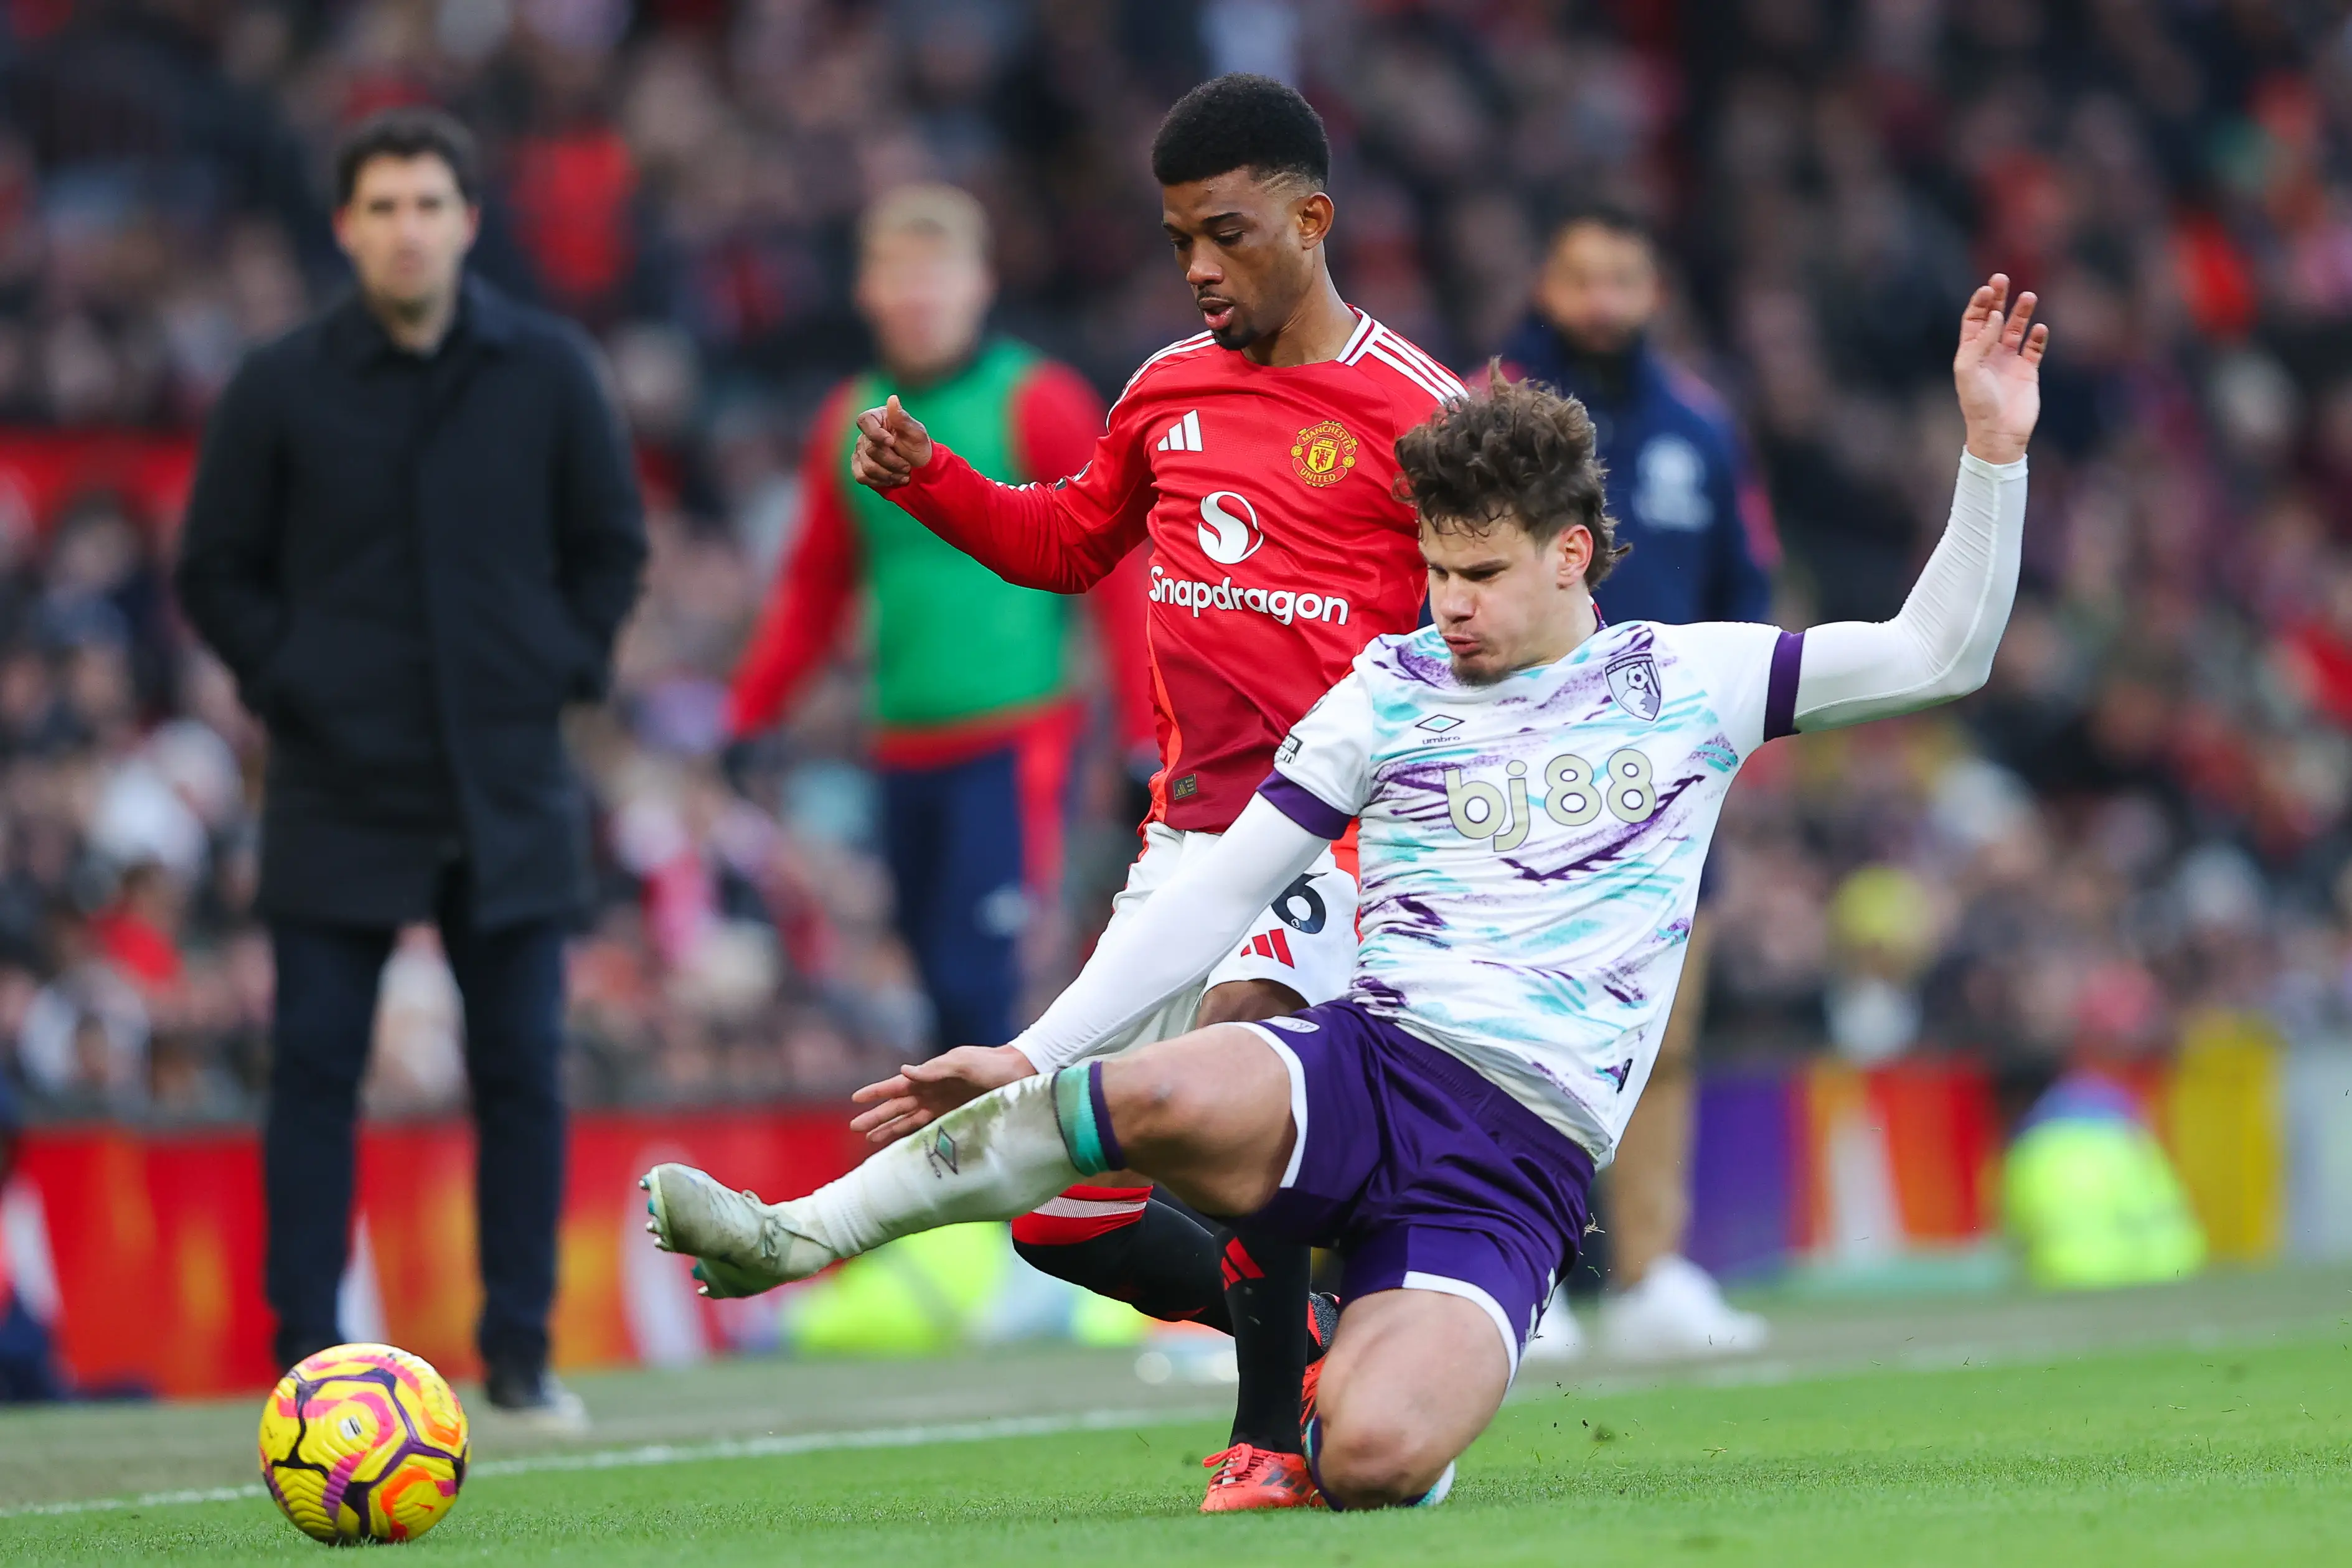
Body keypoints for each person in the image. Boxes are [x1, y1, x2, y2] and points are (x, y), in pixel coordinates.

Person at [640, 275, 2044, 1509]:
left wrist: (1990, 451)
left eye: (1480, 572)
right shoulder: (1389, 689)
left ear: (1571, 554)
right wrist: (1031, 1049)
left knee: (1368, 1462)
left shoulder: (1690, 682)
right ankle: (795, 1233)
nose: (1447, 603)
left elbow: (1939, 650)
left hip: (1516, 1156)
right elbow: (1217, 886)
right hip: (1368, 1061)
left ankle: (1339, 1387)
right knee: (1167, 1086)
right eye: (1432, 567)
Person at [845, 73, 1462, 1511]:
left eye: (1226, 233)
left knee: (1247, 1050)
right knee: (1060, 1213)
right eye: (1179, 235)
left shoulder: (1413, 413)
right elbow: (1068, 540)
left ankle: (1270, 1441)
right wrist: (931, 477)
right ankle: (1320, 1350)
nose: (1196, 266)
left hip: (1339, 836)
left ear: (1310, 222)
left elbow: (1511, 610)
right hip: (1184, 839)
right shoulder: (1164, 388)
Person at [174, 108, 646, 1427]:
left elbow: (610, 546)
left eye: (428, 203)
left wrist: (553, 667)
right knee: (315, 1070)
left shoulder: (547, 370)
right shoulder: (279, 383)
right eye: (380, 207)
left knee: (522, 1072)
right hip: (336, 778)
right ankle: (304, 1353)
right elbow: (213, 568)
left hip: (507, 778)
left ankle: (520, 1352)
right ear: (345, 226)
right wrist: (294, 679)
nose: (405, 228)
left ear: (467, 220)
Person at [727, 184, 1149, 1053]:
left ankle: (1007, 1188)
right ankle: (973, 1185)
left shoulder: (1037, 401)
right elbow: (815, 583)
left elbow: (1120, 576)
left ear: (980, 285)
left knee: (980, 980)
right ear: (866, 292)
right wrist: (751, 713)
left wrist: (1146, 734)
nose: (919, 297)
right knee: (931, 983)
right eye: (900, 276)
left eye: (938, 275)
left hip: (1014, 741)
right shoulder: (848, 417)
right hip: (901, 744)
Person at [1494, 204, 1777, 1360]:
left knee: (1665, 1032)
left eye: (1622, 276)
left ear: (1653, 291)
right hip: (1518, 767)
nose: (1601, 300)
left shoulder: (1698, 429)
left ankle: (1652, 1270)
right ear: (1544, 285)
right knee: (1510, 1029)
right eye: (1580, 276)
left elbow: (1746, 588)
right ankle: (1517, 1268)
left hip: (1668, 775)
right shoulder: (1486, 414)